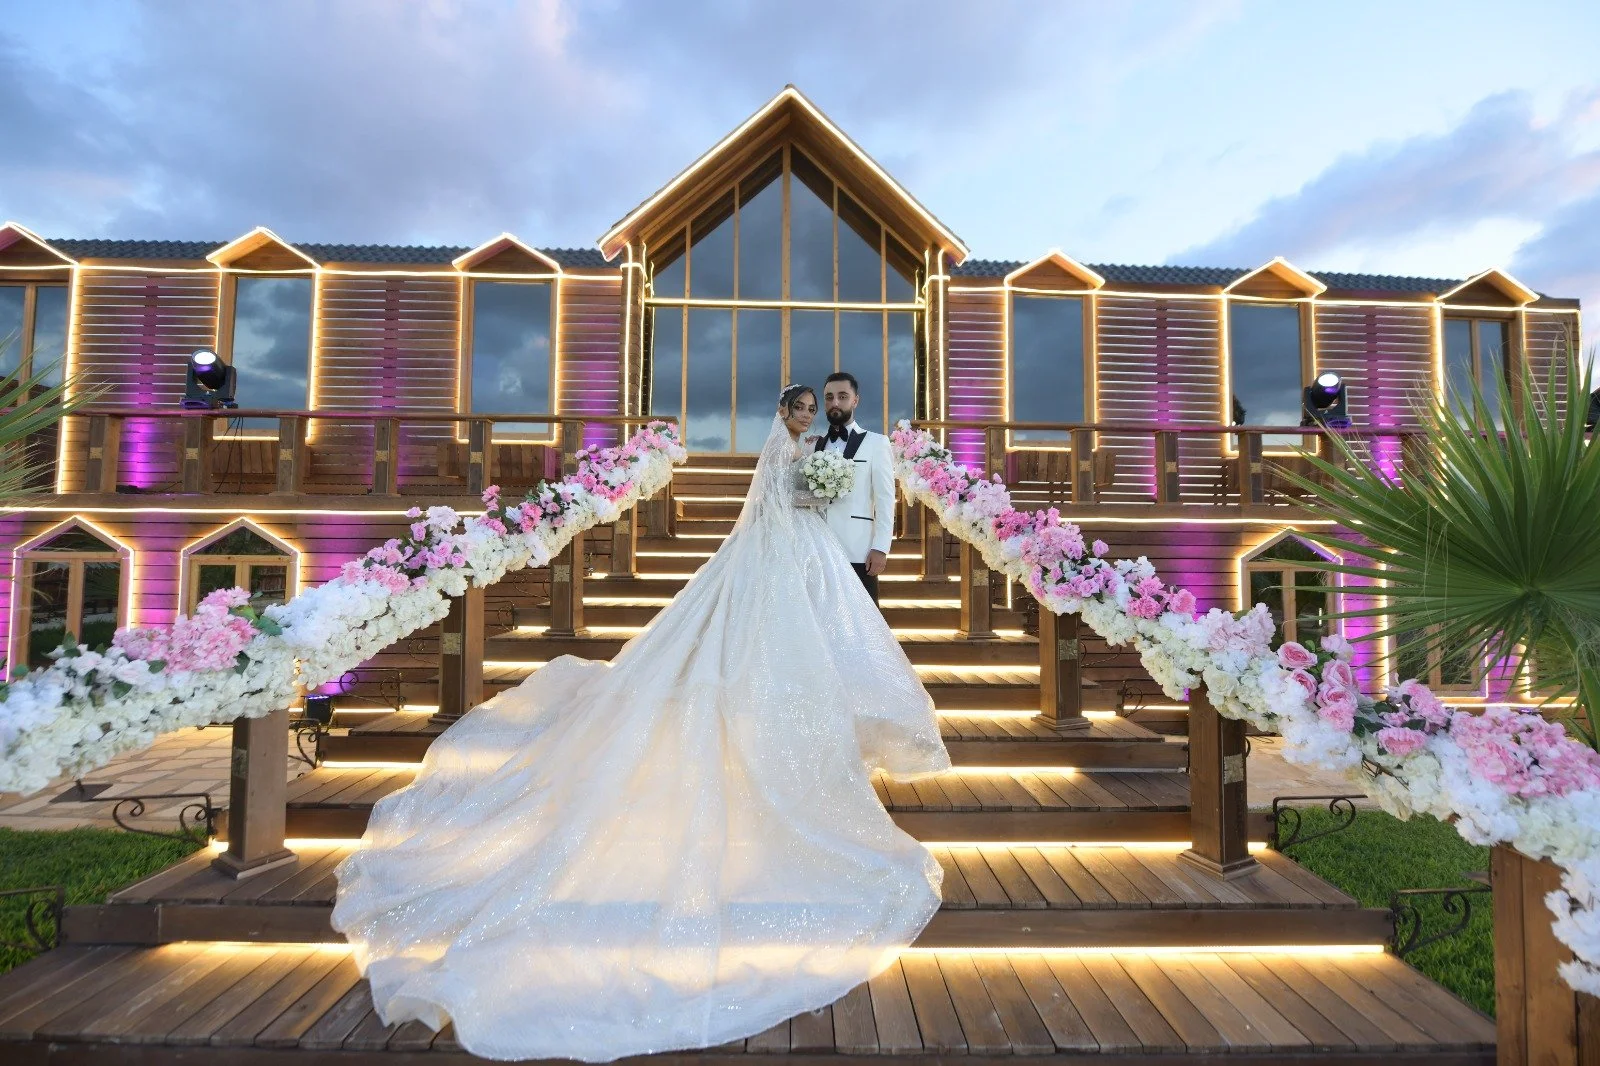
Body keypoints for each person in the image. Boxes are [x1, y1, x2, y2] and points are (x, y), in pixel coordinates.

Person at [331, 383, 950, 1063]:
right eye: (802, 407)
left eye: (818, 404)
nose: (810, 413)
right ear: (787, 414)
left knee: (829, 650)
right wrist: (809, 503)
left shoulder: (862, 446)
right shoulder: (790, 449)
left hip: (828, 558)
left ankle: (827, 724)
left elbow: (867, 501)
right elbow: (777, 503)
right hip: (783, 554)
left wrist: (853, 535)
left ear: (840, 403)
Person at [815, 372, 896, 604]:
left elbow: (885, 499)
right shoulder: (815, 444)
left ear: (855, 400)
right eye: (829, 397)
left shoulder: (877, 443)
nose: (835, 403)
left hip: (859, 549)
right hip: (819, 549)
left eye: (842, 396)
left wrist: (881, 547)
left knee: (864, 625)